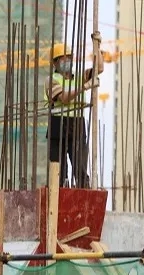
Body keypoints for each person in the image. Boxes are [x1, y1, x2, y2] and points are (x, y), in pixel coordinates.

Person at [44, 31, 104, 188]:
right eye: (63, 58)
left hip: (76, 124)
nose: (67, 61)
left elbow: (99, 68)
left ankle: (84, 191)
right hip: (58, 125)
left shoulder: (78, 76)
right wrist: (85, 87)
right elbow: (63, 98)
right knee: (58, 171)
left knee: (80, 168)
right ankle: (58, 194)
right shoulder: (51, 80)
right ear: (55, 63)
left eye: (69, 57)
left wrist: (97, 47)